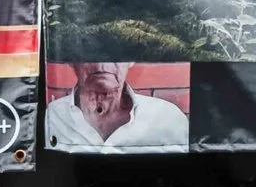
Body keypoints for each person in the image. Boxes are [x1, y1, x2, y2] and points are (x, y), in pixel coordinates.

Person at [44, 61, 188, 150]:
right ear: (71, 60)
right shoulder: (49, 118)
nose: (101, 64)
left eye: (112, 51)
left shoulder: (168, 119)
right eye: (89, 50)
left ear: (131, 59)